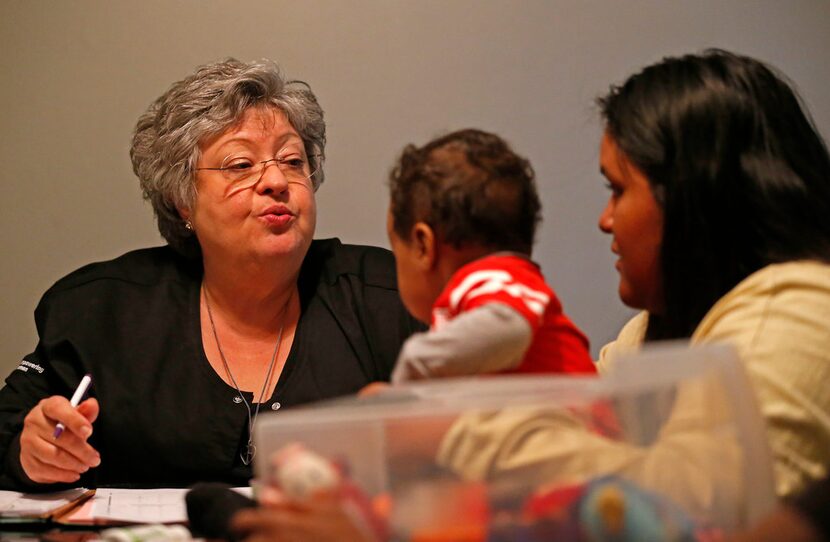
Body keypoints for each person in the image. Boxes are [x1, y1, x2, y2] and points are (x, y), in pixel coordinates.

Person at [436, 48, 830, 511]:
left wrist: (454, 433)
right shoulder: (650, 330)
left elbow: (692, 510)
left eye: (617, 190)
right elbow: (583, 420)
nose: (606, 220)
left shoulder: (790, 319)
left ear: (691, 197)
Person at [0, 58, 422, 490]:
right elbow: (7, 434)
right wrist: (32, 453)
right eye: (241, 165)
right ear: (183, 202)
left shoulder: (389, 295)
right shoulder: (100, 310)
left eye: (293, 161)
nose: (277, 179)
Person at [386, 129, 594, 382]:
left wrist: (415, 365)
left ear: (422, 246)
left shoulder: (493, 279)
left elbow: (508, 326)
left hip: (569, 419)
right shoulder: (496, 286)